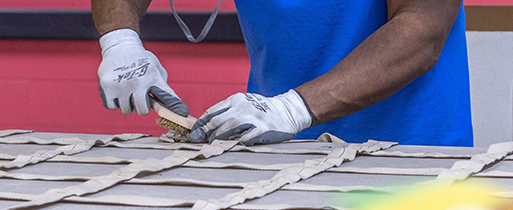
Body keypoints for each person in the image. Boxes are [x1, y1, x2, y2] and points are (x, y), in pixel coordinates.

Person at [93, 0, 472, 147]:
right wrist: (120, 41)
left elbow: (421, 30)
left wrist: (292, 108)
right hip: (276, 146)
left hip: (407, 154)